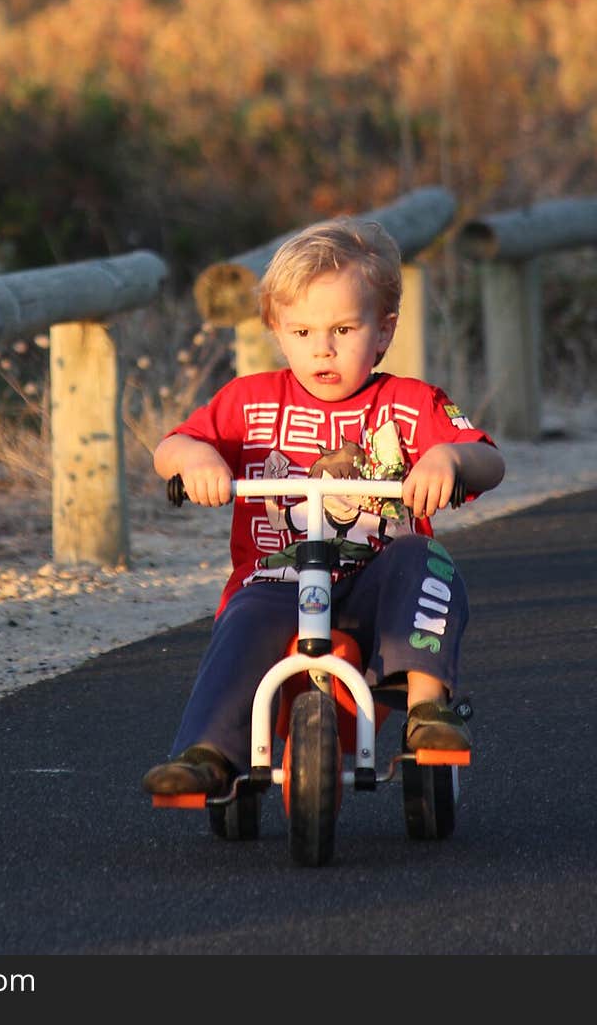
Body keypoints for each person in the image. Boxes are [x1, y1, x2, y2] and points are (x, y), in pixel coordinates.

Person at [143, 217, 506, 798]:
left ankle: (427, 713)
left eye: (343, 328)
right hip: (276, 581)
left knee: (424, 559)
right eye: (303, 331)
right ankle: (208, 752)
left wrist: (449, 463)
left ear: (383, 332)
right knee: (243, 618)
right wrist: (196, 461)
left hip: (374, 586)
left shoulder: (410, 404)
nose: (323, 348)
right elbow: (171, 447)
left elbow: (487, 457)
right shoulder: (249, 401)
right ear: (276, 331)